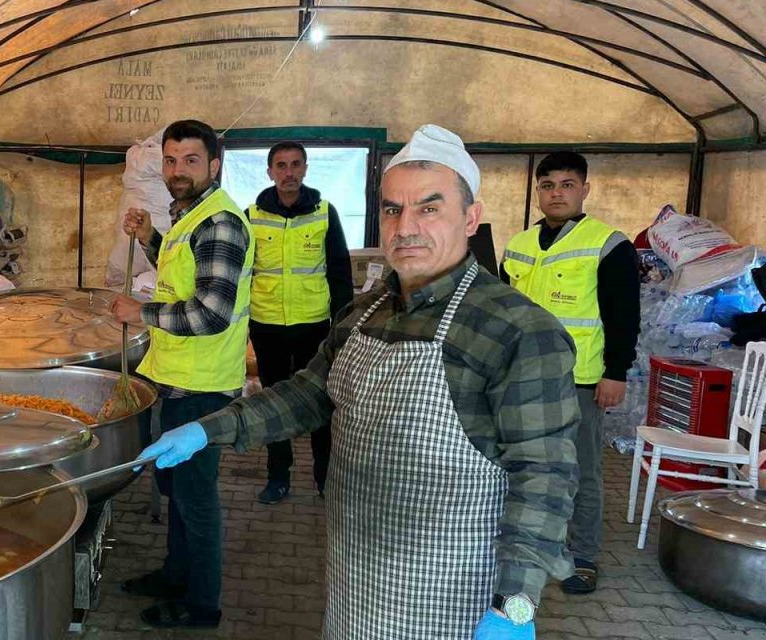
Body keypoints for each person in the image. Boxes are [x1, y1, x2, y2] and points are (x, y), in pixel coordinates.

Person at [138, 124, 580, 640]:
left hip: (455, 598)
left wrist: (516, 604)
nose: (406, 227)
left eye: (429, 208)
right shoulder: (365, 313)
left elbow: (545, 476)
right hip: (356, 582)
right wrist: (209, 429)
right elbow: (307, 394)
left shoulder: (517, 330)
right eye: (392, 209)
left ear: (470, 217)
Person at [110, 119, 254, 629]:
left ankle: (202, 605)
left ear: (214, 165)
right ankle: (175, 575)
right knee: (176, 490)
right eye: (170, 161)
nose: (177, 171)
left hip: (202, 387)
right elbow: (183, 278)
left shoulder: (220, 223)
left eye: (190, 161)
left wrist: (141, 313)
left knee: (196, 500)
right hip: (176, 378)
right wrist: (151, 237)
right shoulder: (189, 216)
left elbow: (211, 313)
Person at [501, 152, 641, 595]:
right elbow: (504, 312)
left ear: (585, 189)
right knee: (521, 463)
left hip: (580, 378)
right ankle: (526, 543)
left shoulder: (608, 244)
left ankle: (582, 556)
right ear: (537, 192)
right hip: (523, 377)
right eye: (547, 186)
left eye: (566, 185)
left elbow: (624, 316)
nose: (556, 194)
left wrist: (615, 372)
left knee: (581, 468)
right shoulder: (519, 245)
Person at [247, 141, 353, 504]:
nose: (289, 172)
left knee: (319, 402)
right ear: (270, 172)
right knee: (274, 403)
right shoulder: (252, 216)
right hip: (267, 325)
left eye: (295, 164)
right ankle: (278, 477)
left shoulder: (325, 212)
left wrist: (341, 326)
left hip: (314, 326)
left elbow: (340, 272)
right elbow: (243, 273)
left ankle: (324, 477)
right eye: (281, 165)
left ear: (305, 169)